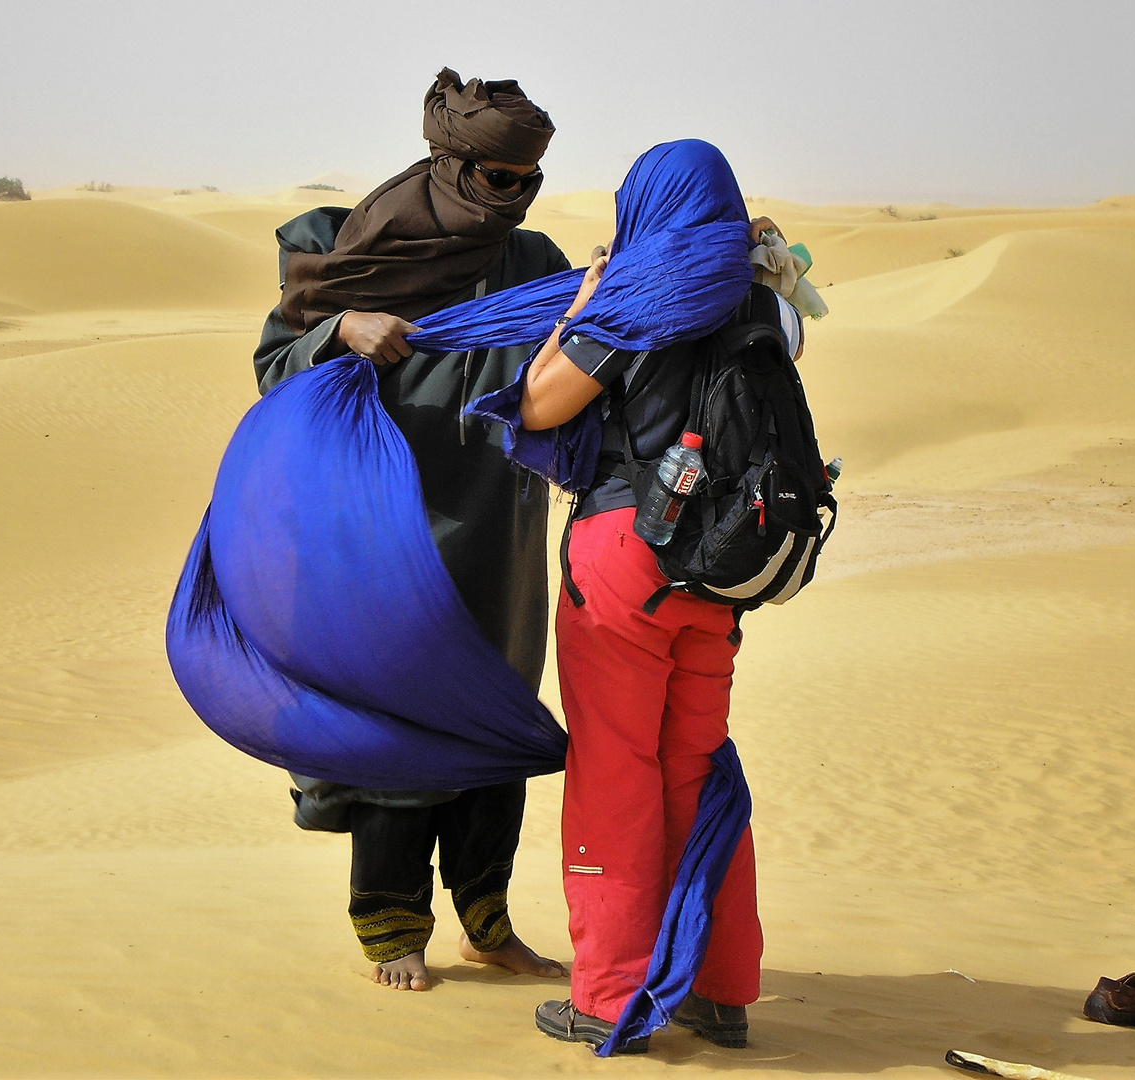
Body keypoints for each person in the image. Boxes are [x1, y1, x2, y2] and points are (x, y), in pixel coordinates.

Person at [252, 68, 570, 993]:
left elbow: (590, 351)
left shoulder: (532, 263)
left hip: (496, 536)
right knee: (396, 733)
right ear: (449, 161)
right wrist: (338, 329)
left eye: (526, 180)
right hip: (379, 537)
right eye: (496, 178)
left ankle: (488, 921)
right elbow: (275, 366)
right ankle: (391, 927)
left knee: (489, 728)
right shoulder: (339, 250)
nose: (512, 196)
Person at [513, 142, 803, 1053]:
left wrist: (580, 306)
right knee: (694, 762)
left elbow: (538, 405)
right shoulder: (763, 304)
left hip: (623, 558)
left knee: (616, 769)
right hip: (717, 570)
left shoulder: (644, 293)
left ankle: (607, 995)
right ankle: (719, 991)